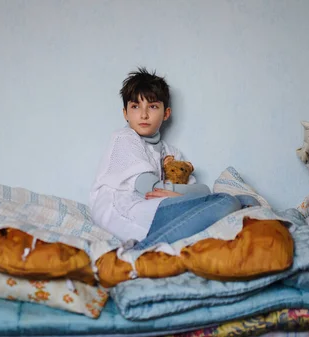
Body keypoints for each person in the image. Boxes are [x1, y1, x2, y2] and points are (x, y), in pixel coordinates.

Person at [89, 67, 259, 250]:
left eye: (152, 106)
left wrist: (178, 194)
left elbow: (201, 190)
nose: (144, 114)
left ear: (166, 113)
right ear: (125, 113)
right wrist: (181, 194)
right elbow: (149, 186)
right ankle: (141, 250)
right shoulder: (124, 137)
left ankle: (162, 241)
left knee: (245, 201)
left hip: (154, 209)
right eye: (135, 106)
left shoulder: (171, 152)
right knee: (227, 201)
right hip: (124, 211)